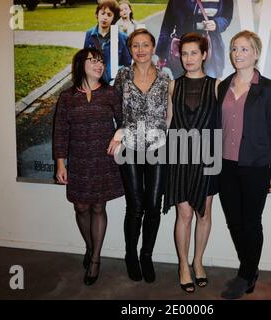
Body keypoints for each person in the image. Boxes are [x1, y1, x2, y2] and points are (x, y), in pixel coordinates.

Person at [217, 30, 271, 299]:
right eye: (234, 49)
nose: (238, 54)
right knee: (234, 222)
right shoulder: (223, 85)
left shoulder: (267, 88)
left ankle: (246, 274)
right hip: (225, 166)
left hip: (256, 165)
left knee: (251, 223)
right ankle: (249, 268)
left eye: (244, 49)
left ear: (256, 54)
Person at [53, 48, 124, 286]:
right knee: (81, 207)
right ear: (80, 64)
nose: (98, 64)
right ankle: (90, 246)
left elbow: (125, 120)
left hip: (103, 159)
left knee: (98, 207)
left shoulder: (110, 93)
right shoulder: (67, 97)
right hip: (79, 160)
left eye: (101, 61)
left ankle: (95, 258)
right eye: (93, 60)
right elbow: (61, 131)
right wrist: (61, 163)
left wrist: (118, 135)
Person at [163, 33, 220, 293]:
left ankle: (198, 261)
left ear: (204, 54)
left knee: (204, 214)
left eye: (194, 53)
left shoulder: (217, 86)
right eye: (184, 53)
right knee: (184, 214)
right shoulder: (173, 86)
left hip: (207, 157)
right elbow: (168, 122)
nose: (188, 58)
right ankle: (183, 265)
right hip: (179, 156)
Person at [113, 29, 170, 283]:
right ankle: (130, 255)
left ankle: (146, 255)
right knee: (135, 206)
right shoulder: (122, 75)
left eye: (145, 44)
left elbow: (169, 112)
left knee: (153, 207)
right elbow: (114, 109)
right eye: (135, 45)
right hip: (130, 147)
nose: (140, 49)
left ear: (153, 46)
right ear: (130, 49)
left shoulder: (166, 76)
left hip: (158, 147)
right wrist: (117, 132)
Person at [155, 0, 233, 79]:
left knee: (208, 86)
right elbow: (167, 26)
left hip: (209, 52)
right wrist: (161, 54)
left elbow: (227, 16)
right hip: (181, 54)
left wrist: (217, 24)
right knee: (182, 87)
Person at [84, 0, 132, 83]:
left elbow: (127, 63)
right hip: (94, 82)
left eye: (109, 15)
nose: (105, 17)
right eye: (102, 13)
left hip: (113, 84)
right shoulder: (89, 34)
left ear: (114, 18)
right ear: (97, 14)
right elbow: (84, 59)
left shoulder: (121, 37)